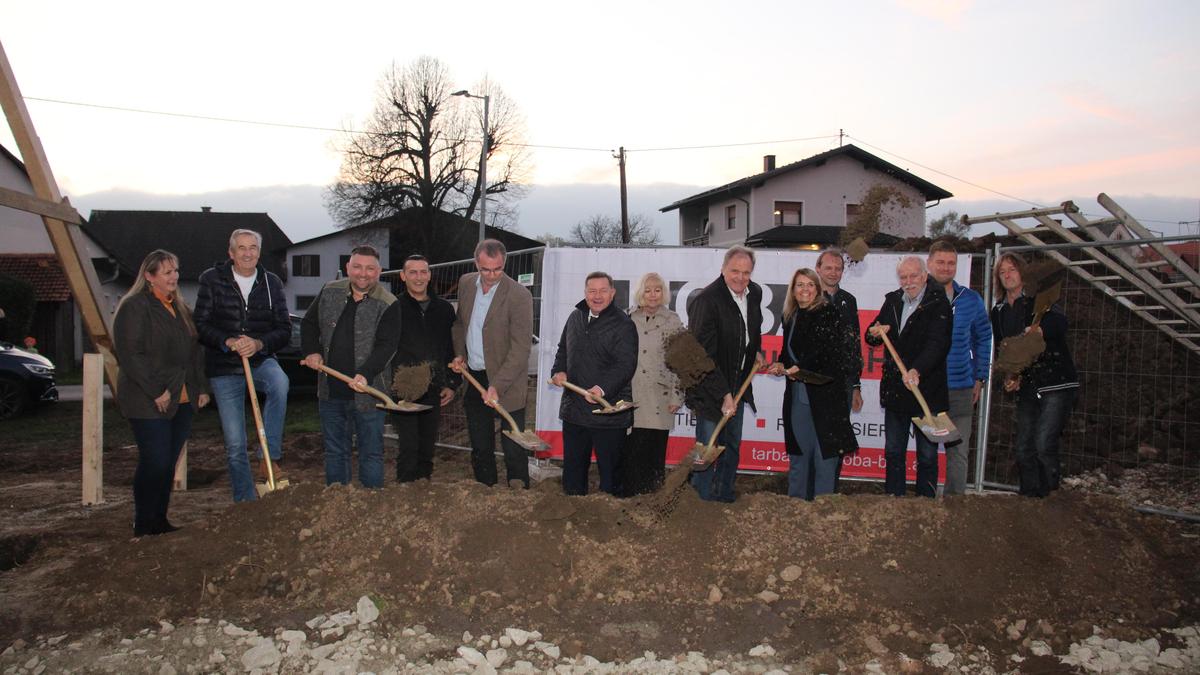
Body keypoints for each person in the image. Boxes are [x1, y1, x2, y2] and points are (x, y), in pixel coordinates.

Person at [113, 250, 210, 536]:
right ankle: (143, 523)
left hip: (180, 398)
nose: (174, 277)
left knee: (167, 463)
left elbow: (194, 353)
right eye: (167, 272)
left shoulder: (179, 308)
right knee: (154, 460)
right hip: (147, 398)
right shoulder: (135, 306)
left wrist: (200, 387)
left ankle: (159, 519)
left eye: (176, 271)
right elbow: (131, 355)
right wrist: (156, 391)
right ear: (149, 276)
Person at [194, 229, 291, 502]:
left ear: (259, 253)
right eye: (241, 248)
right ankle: (245, 501)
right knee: (235, 442)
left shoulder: (271, 284)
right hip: (224, 366)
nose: (247, 253)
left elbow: (283, 329)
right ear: (231, 253)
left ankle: (269, 456)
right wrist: (228, 340)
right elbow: (200, 325)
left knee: (280, 383)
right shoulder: (212, 280)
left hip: (260, 361)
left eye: (253, 248)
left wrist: (259, 344)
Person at [300, 245, 400, 488]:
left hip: (369, 394)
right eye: (357, 267)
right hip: (331, 390)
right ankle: (337, 503)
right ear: (348, 268)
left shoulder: (388, 303)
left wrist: (365, 374)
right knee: (335, 452)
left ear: (379, 271)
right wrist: (312, 351)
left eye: (370, 269)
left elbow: (387, 346)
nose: (362, 273)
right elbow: (309, 324)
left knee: (371, 453)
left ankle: (371, 502)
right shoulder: (329, 291)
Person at [990, 253, 1079, 498]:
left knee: (1043, 443)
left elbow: (1060, 324)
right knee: (1023, 447)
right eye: (1003, 271)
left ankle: (1050, 497)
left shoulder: (1039, 301)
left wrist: (1040, 330)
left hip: (1055, 382)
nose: (1007, 275)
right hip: (1027, 385)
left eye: (1012, 270)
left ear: (1023, 274)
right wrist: (1011, 375)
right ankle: (1029, 500)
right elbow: (1005, 348)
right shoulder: (998, 312)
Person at [864, 256, 952, 498]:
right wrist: (874, 333)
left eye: (913, 276)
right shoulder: (893, 301)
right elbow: (872, 335)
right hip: (896, 389)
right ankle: (895, 500)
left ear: (924, 276)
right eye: (904, 277)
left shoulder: (938, 304)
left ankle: (924, 502)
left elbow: (938, 343)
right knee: (894, 450)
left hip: (926, 389)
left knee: (927, 453)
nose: (908, 281)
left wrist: (917, 369)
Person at [768, 268, 859, 500]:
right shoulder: (790, 315)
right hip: (798, 395)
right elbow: (789, 353)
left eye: (810, 284)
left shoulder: (829, 313)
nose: (805, 289)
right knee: (799, 454)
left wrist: (799, 368)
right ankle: (796, 506)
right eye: (800, 285)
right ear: (793, 289)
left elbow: (826, 352)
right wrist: (781, 364)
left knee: (825, 456)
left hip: (826, 398)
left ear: (818, 289)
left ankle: (823, 507)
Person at [451, 239, 534, 489]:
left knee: (513, 440)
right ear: (476, 263)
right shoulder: (466, 284)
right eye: (485, 269)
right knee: (480, 441)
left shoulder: (519, 295)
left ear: (504, 263)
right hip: (475, 377)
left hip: (506, 380)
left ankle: (518, 489)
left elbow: (521, 348)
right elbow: (459, 325)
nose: (491, 275)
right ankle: (485, 488)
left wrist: (497, 384)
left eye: (497, 269)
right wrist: (459, 354)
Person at [686, 245, 763, 503]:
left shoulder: (754, 294)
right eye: (735, 271)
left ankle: (724, 496)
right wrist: (723, 394)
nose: (740, 278)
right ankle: (701, 500)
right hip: (710, 388)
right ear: (723, 269)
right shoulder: (707, 300)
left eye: (746, 272)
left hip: (738, 383)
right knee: (708, 447)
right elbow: (701, 356)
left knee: (731, 445)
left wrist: (755, 353)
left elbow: (751, 330)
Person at [550, 272, 638, 495]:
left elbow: (625, 366)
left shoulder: (624, 324)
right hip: (575, 411)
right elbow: (563, 350)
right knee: (573, 470)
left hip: (607, 413)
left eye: (602, 290)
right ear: (585, 292)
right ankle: (573, 512)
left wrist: (601, 389)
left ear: (612, 293)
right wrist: (558, 370)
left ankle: (610, 516)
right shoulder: (575, 317)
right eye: (592, 290)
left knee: (611, 474)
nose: (597, 296)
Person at [927, 240, 992, 495]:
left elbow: (983, 337)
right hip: (929, 389)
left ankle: (954, 507)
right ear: (930, 264)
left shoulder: (971, 300)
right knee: (927, 452)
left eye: (951, 263)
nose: (946, 267)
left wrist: (980, 376)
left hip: (961, 389)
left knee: (958, 452)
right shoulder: (919, 298)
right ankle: (927, 503)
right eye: (940, 262)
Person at [393, 254, 460, 482]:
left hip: (434, 388)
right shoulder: (394, 308)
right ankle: (405, 493)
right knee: (408, 446)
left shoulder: (444, 310)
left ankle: (422, 491)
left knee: (426, 447)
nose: (418, 277)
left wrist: (451, 383)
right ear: (403, 276)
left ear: (430, 275)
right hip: (405, 389)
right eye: (413, 272)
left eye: (423, 272)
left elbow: (451, 350)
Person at [621, 272, 684, 495]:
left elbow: (681, 360)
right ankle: (630, 498)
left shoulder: (673, 320)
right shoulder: (627, 317)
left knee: (655, 453)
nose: (653, 295)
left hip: (660, 396)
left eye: (657, 290)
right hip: (632, 395)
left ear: (663, 293)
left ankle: (653, 498)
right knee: (631, 451)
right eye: (648, 290)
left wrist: (678, 395)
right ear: (640, 293)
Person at [816, 248, 864, 414]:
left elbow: (854, 346)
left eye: (838, 269)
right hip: (815, 381)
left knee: (840, 436)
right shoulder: (807, 298)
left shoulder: (849, 301)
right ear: (818, 269)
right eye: (828, 268)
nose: (833, 273)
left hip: (844, 383)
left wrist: (856, 385)